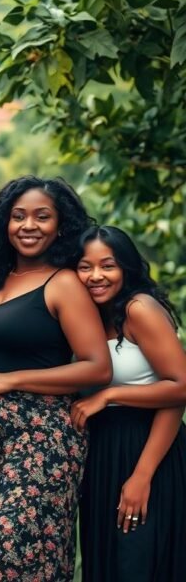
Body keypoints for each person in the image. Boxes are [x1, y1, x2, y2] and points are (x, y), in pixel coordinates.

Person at [0, 176, 112, 582]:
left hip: (41, 439)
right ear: (3, 224)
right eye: (18, 216)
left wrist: (9, 381)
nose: (29, 226)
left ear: (60, 226)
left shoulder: (63, 283)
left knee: (12, 561)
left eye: (42, 217)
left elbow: (97, 367)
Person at [71, 225, 186, 581]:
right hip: (103, 454)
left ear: (127, 267)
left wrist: (142, 475)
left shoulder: (139, 309)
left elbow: (180, 388)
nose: (96, 276)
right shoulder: (87, 317)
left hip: (148, 450)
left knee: (137, 563)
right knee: (107, 564)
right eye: (84, 267)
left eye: (108, 266)